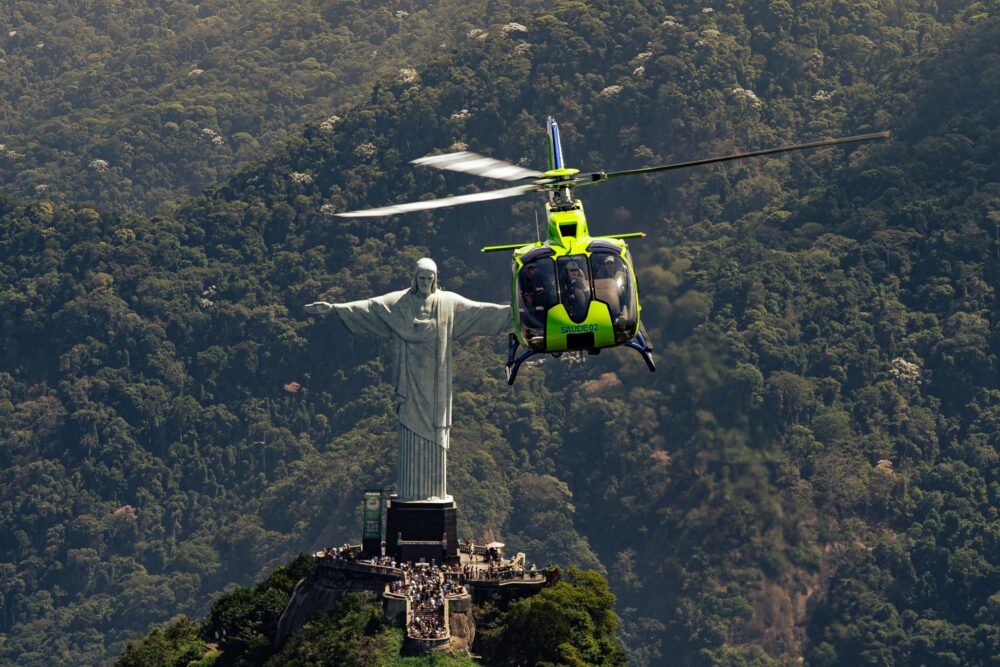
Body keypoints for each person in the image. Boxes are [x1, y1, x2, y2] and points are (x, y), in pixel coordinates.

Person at [305, 258, 509, 501]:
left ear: (435, 279)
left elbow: (481, 312)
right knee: (410, 430)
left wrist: (517, 313)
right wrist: (335, 308)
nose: (425, 282)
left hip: (436, 388)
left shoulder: (448, 304)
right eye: (421, 278)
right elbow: (369, 307)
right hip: (409, 384)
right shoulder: (399, 303)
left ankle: (433, 494)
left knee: (435, 433)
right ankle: (412, 495)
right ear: (414, 279)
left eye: (429, 278)